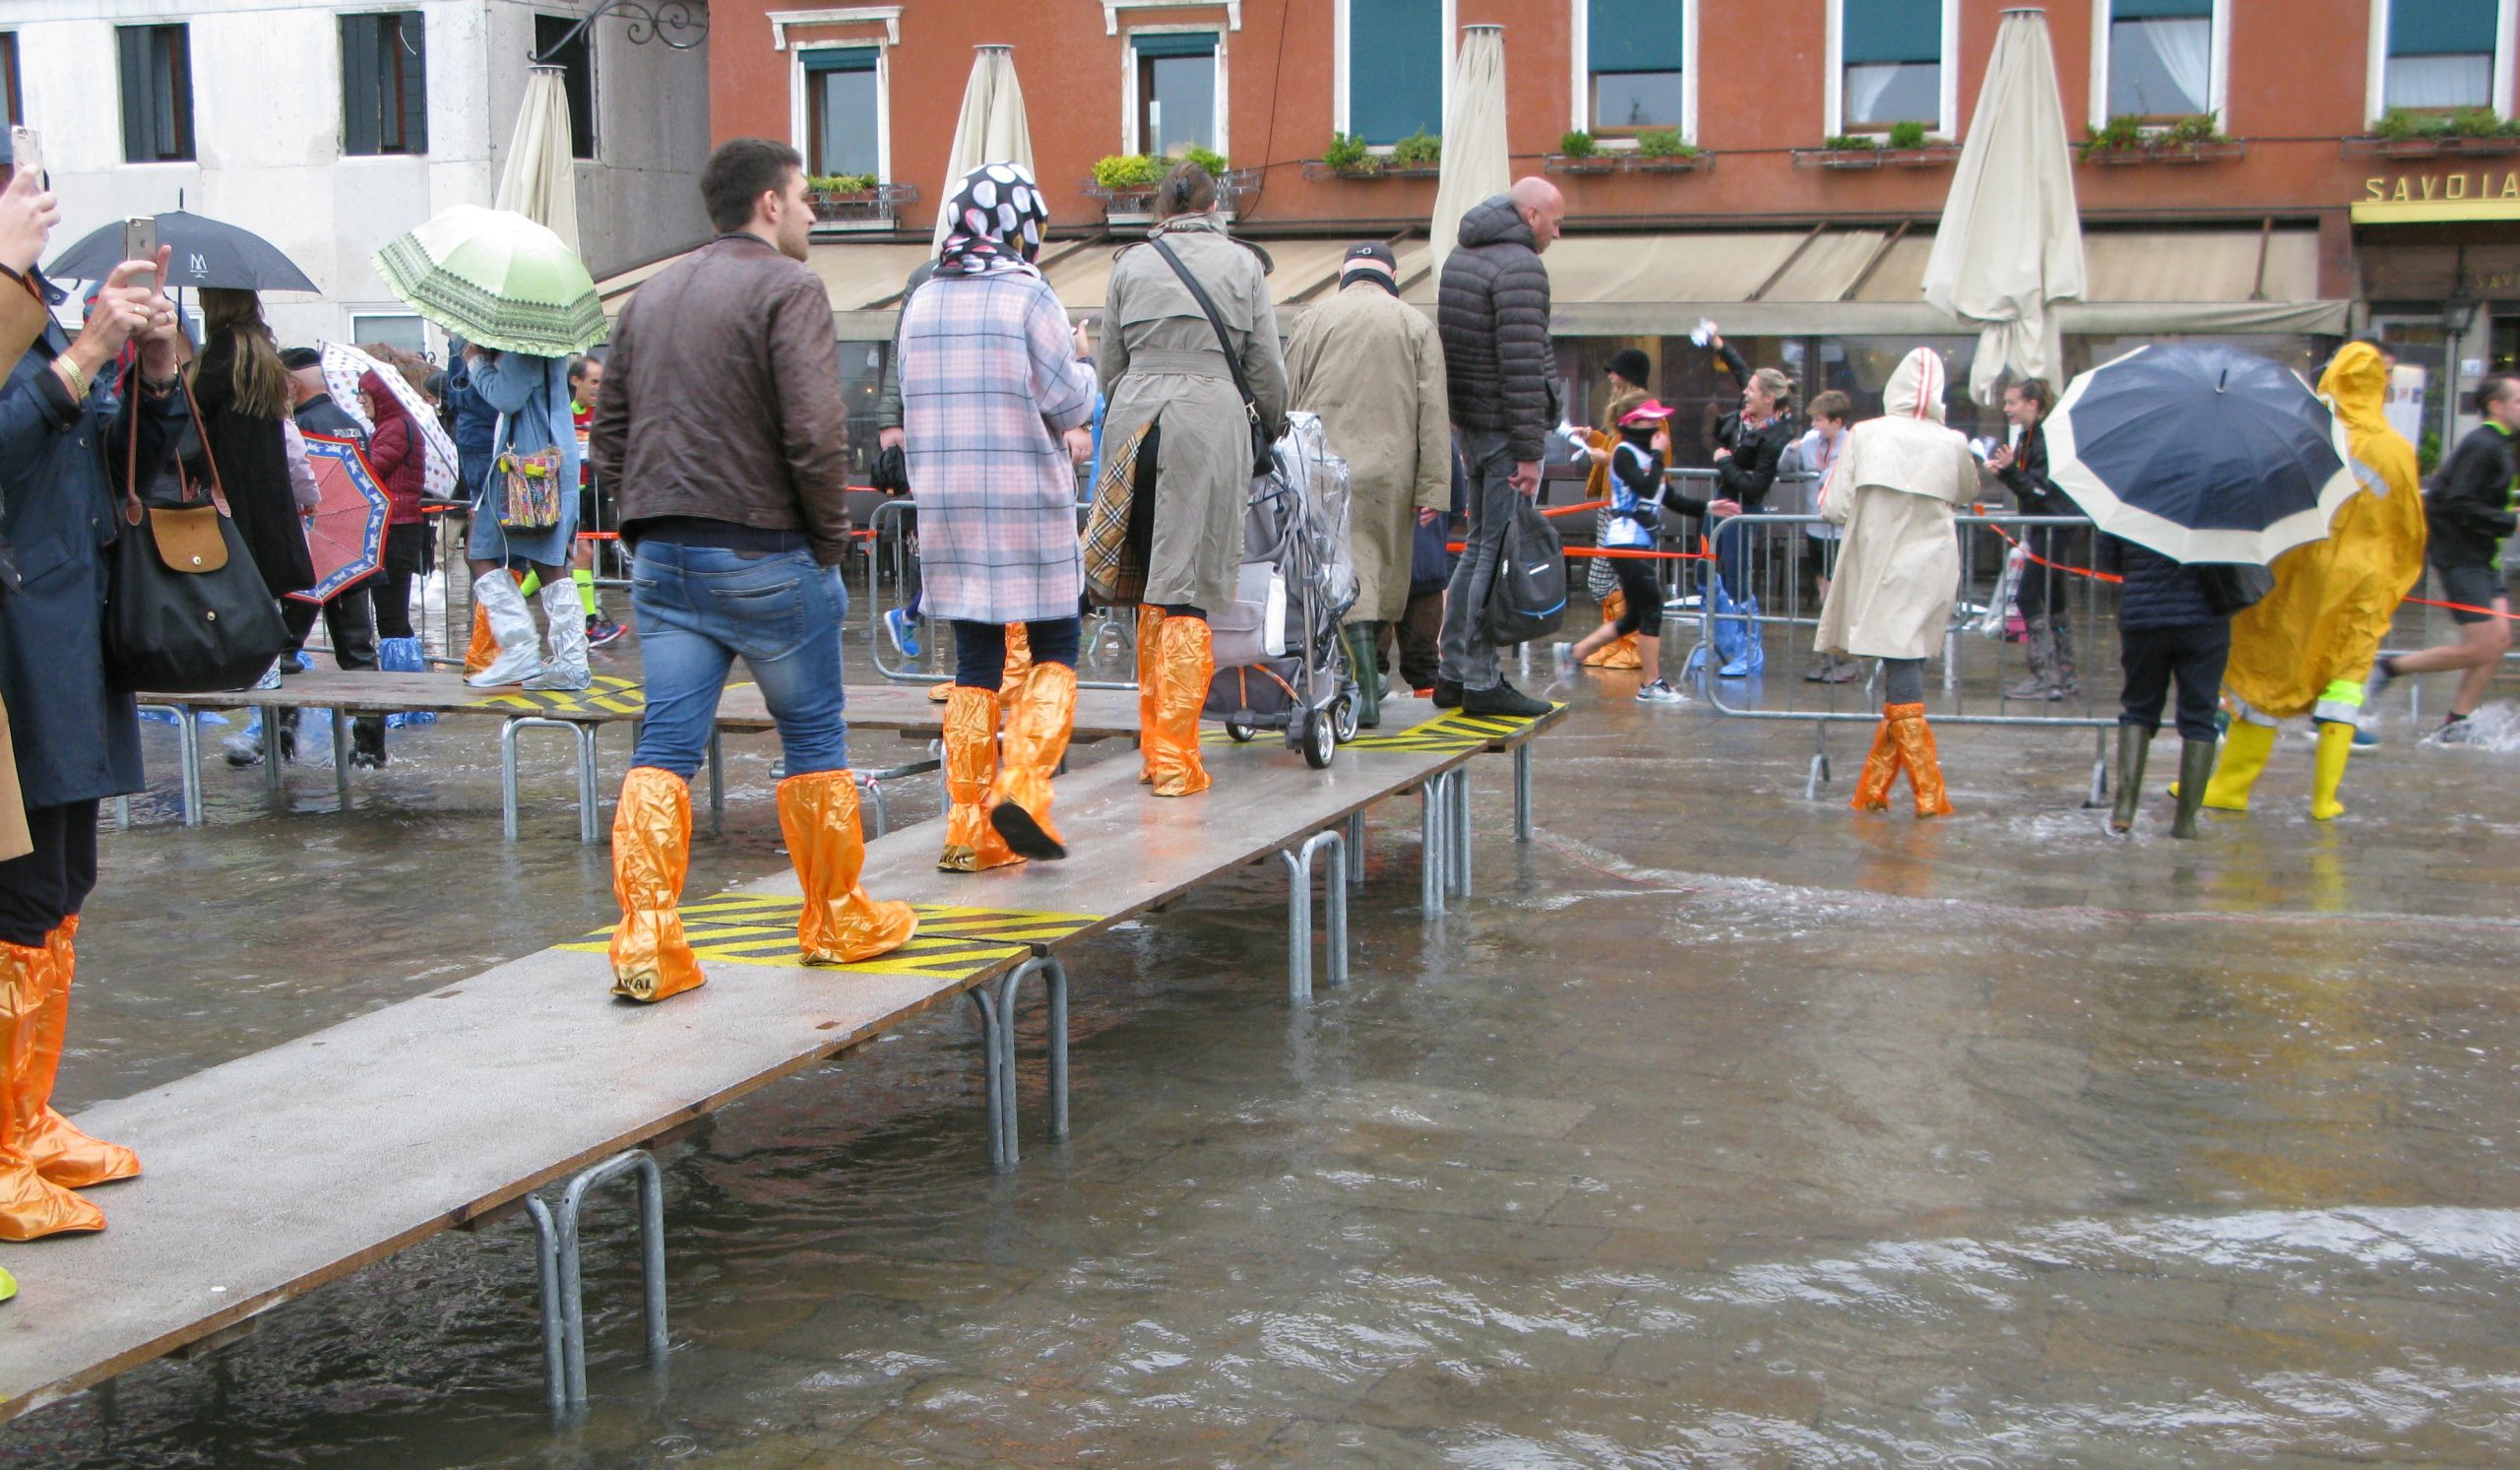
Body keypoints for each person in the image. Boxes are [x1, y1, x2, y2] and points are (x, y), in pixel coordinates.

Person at [590, 137, 916, 1003]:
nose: (814, 211)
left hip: (665, 556)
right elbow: (814, 431)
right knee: (812, 738)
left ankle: (647, 944)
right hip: (766, 549)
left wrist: (639, 523)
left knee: (664, 745)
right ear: (769, 204)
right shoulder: (789, 287)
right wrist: (827, 543)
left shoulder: (652, 294)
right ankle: (836, 916)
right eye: (806, 196)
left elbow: (608, 432)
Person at [0, 202, 178, 1236]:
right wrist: (89, 349)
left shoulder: (33, 316)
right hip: (15, 648)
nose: (42, 203)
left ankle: (26, 1120)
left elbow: (110, 457)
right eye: (22, 189)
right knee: (17, 892)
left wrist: (149, 369)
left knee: (63, 880)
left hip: (67, 633)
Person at [898, 160, 1099, 869]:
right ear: (1022, 227)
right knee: (1056, 644)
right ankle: (1020, 785)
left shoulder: (922, 300)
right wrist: (1080, 359)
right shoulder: (1026, 293)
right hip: (1022, 494)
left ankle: (966, 831)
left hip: (948, 500)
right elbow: (1069, 404)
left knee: (976, 660)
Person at [1100, 160, 1291, 796]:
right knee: (1187, 588)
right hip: (1206, 423)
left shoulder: (1129, 264)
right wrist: (1274, 420)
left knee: (1150, 584)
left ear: (1159, 211)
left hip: (1135, 421)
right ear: (1215, 208)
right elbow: (1267, 370)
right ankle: (1177, 762)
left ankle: (1154, 746)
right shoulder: (1241, 265)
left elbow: (1108, 365)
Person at [2204, 342, 2427, 817]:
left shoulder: (2309, 433)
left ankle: (2230, 786)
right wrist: (2392, 575)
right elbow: (2409, 525)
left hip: (2300, 570)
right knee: (2345, 678)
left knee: (2270, 667)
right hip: (2363, 581)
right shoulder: (2395, 448)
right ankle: (2325, 798)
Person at [1285, 241, 1450, 730]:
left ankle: (1357, 687)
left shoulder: (1311, 319)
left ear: (1344, 274)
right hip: (1390, 471)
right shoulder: (1415, 324)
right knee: (1378, 577)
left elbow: (1289, 396)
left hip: (1320, 467)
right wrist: (1433, 489)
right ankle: (1369, 689)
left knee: (1331, 576)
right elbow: (1434, 413)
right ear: (1392, 276)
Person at [1813, 347, 1974, 818]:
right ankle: (1877, 789)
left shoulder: (1866, 434)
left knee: (1902, 668)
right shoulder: (1954, 441)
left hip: (1881, 562)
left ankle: (1928, 792)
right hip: (1934, 564)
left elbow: (1833, 506)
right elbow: (1967, 491)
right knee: (1907, 662)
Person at [1432, 177, 1565, 718]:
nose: (1560, 231)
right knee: (1495, 549)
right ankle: (1482, 680)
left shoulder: (1460, 257)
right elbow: (1522, 363)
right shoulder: (1521, 266)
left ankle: (1453, 671)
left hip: (1472, 423)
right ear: (1531, 214)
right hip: (1506, 432)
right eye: (1556, 221)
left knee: (1480, 546)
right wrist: (1531, 450)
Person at [238, 350, 385, 767]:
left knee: (284, 651)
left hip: (307, 551)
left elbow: (301, 476)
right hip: (348, 551)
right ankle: (370, 748)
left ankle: (278, 738)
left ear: (291, 385)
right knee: (358, 653)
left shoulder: (299, 425)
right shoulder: (352, 423)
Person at [2362, 372, 2518, 743]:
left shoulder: (2501, 445)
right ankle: (2388, 667)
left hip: (2483, 558)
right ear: (2496, 406)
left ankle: (2455, 721)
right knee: (2482, 644)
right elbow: (2454, 501)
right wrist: (2508, 520)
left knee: (2499, 640)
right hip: (2461, 558)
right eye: (2518, 401)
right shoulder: (2483, 445)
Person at [464, 337, 587, 691]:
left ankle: (522, 650)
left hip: (528, 468)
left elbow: (506, 396)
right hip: (543, 463)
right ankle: (570, 660)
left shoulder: (525, 344)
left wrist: (475, 362)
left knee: (481, 551)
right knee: (549, 563)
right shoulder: (541, 344)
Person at [1555, 401, 1686, 703]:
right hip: (1626, 529)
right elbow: (1634, 470)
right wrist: (1600, 446)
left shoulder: (1643, 429)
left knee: (1639, 611)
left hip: (1632, 526)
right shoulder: (1630, 439)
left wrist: (1602, 449)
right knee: (1639, 602)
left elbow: (1636, 468)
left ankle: (1576, 653)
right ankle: (1648, 679)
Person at [2098, 535, 2227, 839]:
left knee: (2139, 709)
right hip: (2204, 620)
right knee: (2199, 717)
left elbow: (2109, 560)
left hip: (2143, 619)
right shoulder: (2219, 497)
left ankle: (2124, 809)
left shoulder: (2132, 494)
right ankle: (2186, 821)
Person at [1701, 328, 1796, 677]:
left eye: (1753, 391)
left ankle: (1747, 649)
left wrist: (1725, 460)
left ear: (1769, 398)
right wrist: (1719, 344)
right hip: (1720, 503)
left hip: (1741, 508)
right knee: (1707, 571)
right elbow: (1743, 372)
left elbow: (1756, 487)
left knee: (1739, 579)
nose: (1745, 393)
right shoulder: (1749, 410)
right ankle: (1714, 642)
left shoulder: (1775, 435)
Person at [1987, 378, 2084, 701]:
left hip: (2053, 526)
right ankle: (2065, 674)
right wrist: (2006, 472)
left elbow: (2042, 490)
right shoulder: (2029, 437)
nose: (2006, 409)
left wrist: (2011, 472)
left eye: (2012, 402)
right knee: (2053, 597)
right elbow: (2030, 486)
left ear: (2033, 404)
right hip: (2047, 525)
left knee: (2028, 596)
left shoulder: (2046, 439)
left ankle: (2046, 675)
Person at [1789, 390, 1858, 682]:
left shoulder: (1852, 443)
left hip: (1840, 528)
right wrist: (1791, 452)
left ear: (1837, 421)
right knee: (1824, 594)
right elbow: (1788, 468)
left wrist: (1818, 473)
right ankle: (1830, 657)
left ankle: (1848, 659)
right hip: (1815, 527)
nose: (1814, 425)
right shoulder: (1809, 442)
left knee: (1840, 597)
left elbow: (1838, 476)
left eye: (1819, 420)